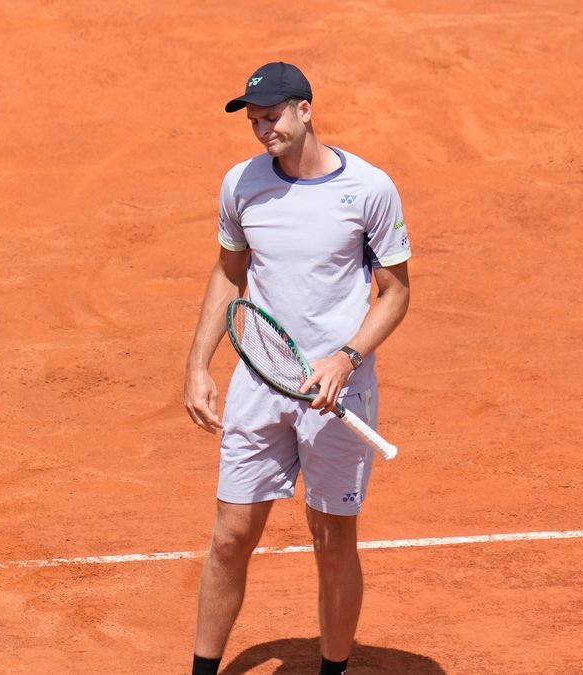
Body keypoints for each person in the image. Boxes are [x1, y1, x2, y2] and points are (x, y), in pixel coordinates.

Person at [184, 61, 412, 675]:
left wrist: (347, 357)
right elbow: (229, 272)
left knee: (333, 540)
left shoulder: (368, 189)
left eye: (273, 117)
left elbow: (394, 292)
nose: (263, 130)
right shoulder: (242, 184)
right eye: (255, 121)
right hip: (259, 386)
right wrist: (198, 365)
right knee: (231, 536)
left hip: (338, 393)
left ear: (305, 110)